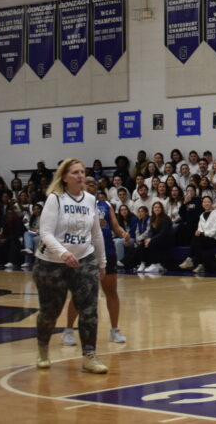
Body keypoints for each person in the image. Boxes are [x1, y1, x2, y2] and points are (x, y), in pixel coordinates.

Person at [32, 158, 107, 374]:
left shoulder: (91, 200)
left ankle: (89, 356)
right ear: (64, 177)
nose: (80, 176)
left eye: (82, 172)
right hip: (51, 264)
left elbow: (96, 233)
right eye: (75, 172)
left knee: (90, 309)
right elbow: (45, 233)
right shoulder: (55, 199)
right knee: (50, 311)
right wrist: (63, 253)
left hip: (84, 260)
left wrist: (102, 262)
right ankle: (43, 350)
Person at [63, 178, 130, 346]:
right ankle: (68, 331)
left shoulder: (106, 205)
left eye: (94, 182)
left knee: (111, 292)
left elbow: (115, 226)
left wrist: (123, 234)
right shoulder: (75, 205)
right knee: (80, 294)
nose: (91, 184)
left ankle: (114, 330)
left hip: (107, 251)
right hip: (85, 252)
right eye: (88, 182)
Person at [180, 195, 216, 274]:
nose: (206, 203)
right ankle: (200, 265)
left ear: (211, 203)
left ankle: (190, 259)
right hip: (204, 239)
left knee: (197, 239)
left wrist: (202, 233)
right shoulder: (201, 215)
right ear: (202, 204)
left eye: (208, 202)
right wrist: (199, 232)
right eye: (204, 202)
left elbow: (214, 231)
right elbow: (200, 229)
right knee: (197, 238)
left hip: (215, 239)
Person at [138, 201, 173, 274]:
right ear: (153, 209)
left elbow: (163, 233)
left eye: (159, 207)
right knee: (142, 243)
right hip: (157, 238)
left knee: (152, 242)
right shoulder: (152, 218)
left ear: (162, 209)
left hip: (166, 239)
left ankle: (156, 264)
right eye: (155, 207)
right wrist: (147, 239)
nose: (157, 209)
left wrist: (151, 239)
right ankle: (143, 263)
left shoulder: (165, 218)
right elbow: (151, 232)